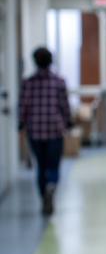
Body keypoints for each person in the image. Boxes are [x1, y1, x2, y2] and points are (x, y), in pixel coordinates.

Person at [18, 47, 73, 215]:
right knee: (54, 165)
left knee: (41, 167)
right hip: (55, 131)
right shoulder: (59, 81)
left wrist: (21, 123)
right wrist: (68, 122)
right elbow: (64, 106)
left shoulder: (28, 83)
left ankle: (44, 197)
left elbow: (23, 106)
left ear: (35, 62)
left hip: (35, 131)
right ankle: (51, 186)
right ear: (51, 61)